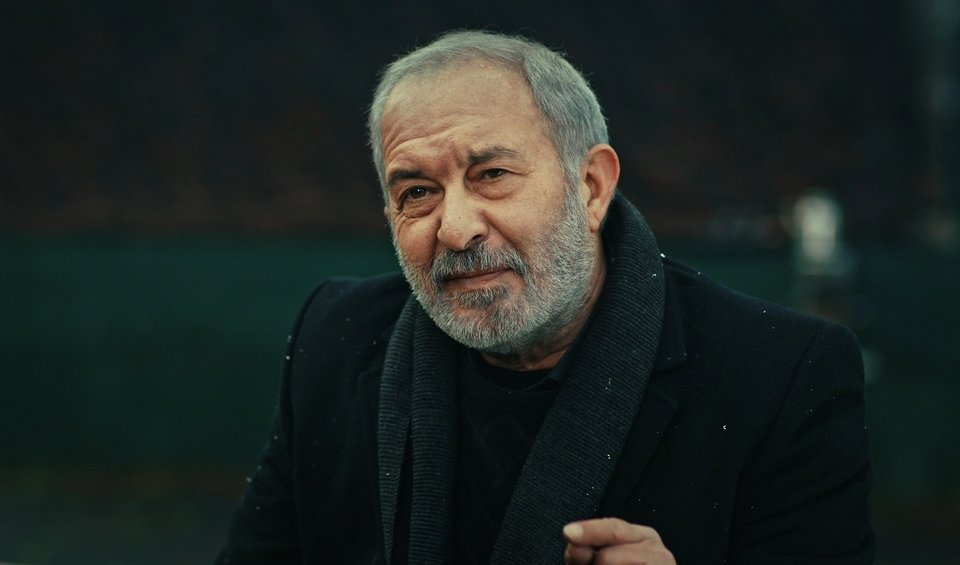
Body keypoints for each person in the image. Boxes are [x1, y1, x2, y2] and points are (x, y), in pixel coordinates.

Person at [219, 30, 874, 564]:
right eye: (417, 192)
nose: (456, 228)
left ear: (591, 186)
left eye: (492, 174)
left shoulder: (782, 376)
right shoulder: (335, 339)